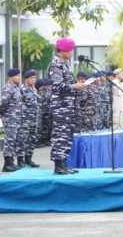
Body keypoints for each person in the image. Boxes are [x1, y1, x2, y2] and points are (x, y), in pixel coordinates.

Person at [48, 38, 85, 174]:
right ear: (63, 51)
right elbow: (56, 86)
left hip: (67, 106)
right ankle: (58, 165)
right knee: (60, 134)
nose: (71, 53)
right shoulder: (56, 65)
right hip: (61, 106)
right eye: (70, 50)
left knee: (67, 135)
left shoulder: (64, 64)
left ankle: (63, 163)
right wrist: (75, 86)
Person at [0, 69, 24, 172]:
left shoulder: (15, 88)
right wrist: (5, 115)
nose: (19, 77)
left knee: (14, 141)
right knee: (9, 141)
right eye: (17, 76)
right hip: (10, 119)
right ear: (11, 77)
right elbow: (3, 103)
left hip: (16, 119)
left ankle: (11, 162)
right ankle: (7, 163)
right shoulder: (8, 88)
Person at [19, 69, 41, 168]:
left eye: (34, 78)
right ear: (26, 79)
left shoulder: (34, 89)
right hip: (25, 119)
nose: (33, 80)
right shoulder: (22, 90)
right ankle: (20, 160)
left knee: (32, 140)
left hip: (34, 119)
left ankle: (28, 159)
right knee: (22, 140)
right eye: (31, 78)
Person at [36, 78, 53, 146]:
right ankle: (39, 141)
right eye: (45, 85)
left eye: (47, 85)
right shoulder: (37, 92)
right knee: (40, 126)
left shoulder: (49, 91)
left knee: (47, 126)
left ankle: (46, 140)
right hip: (40, 111)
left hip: (47, 111)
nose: (46, 86)